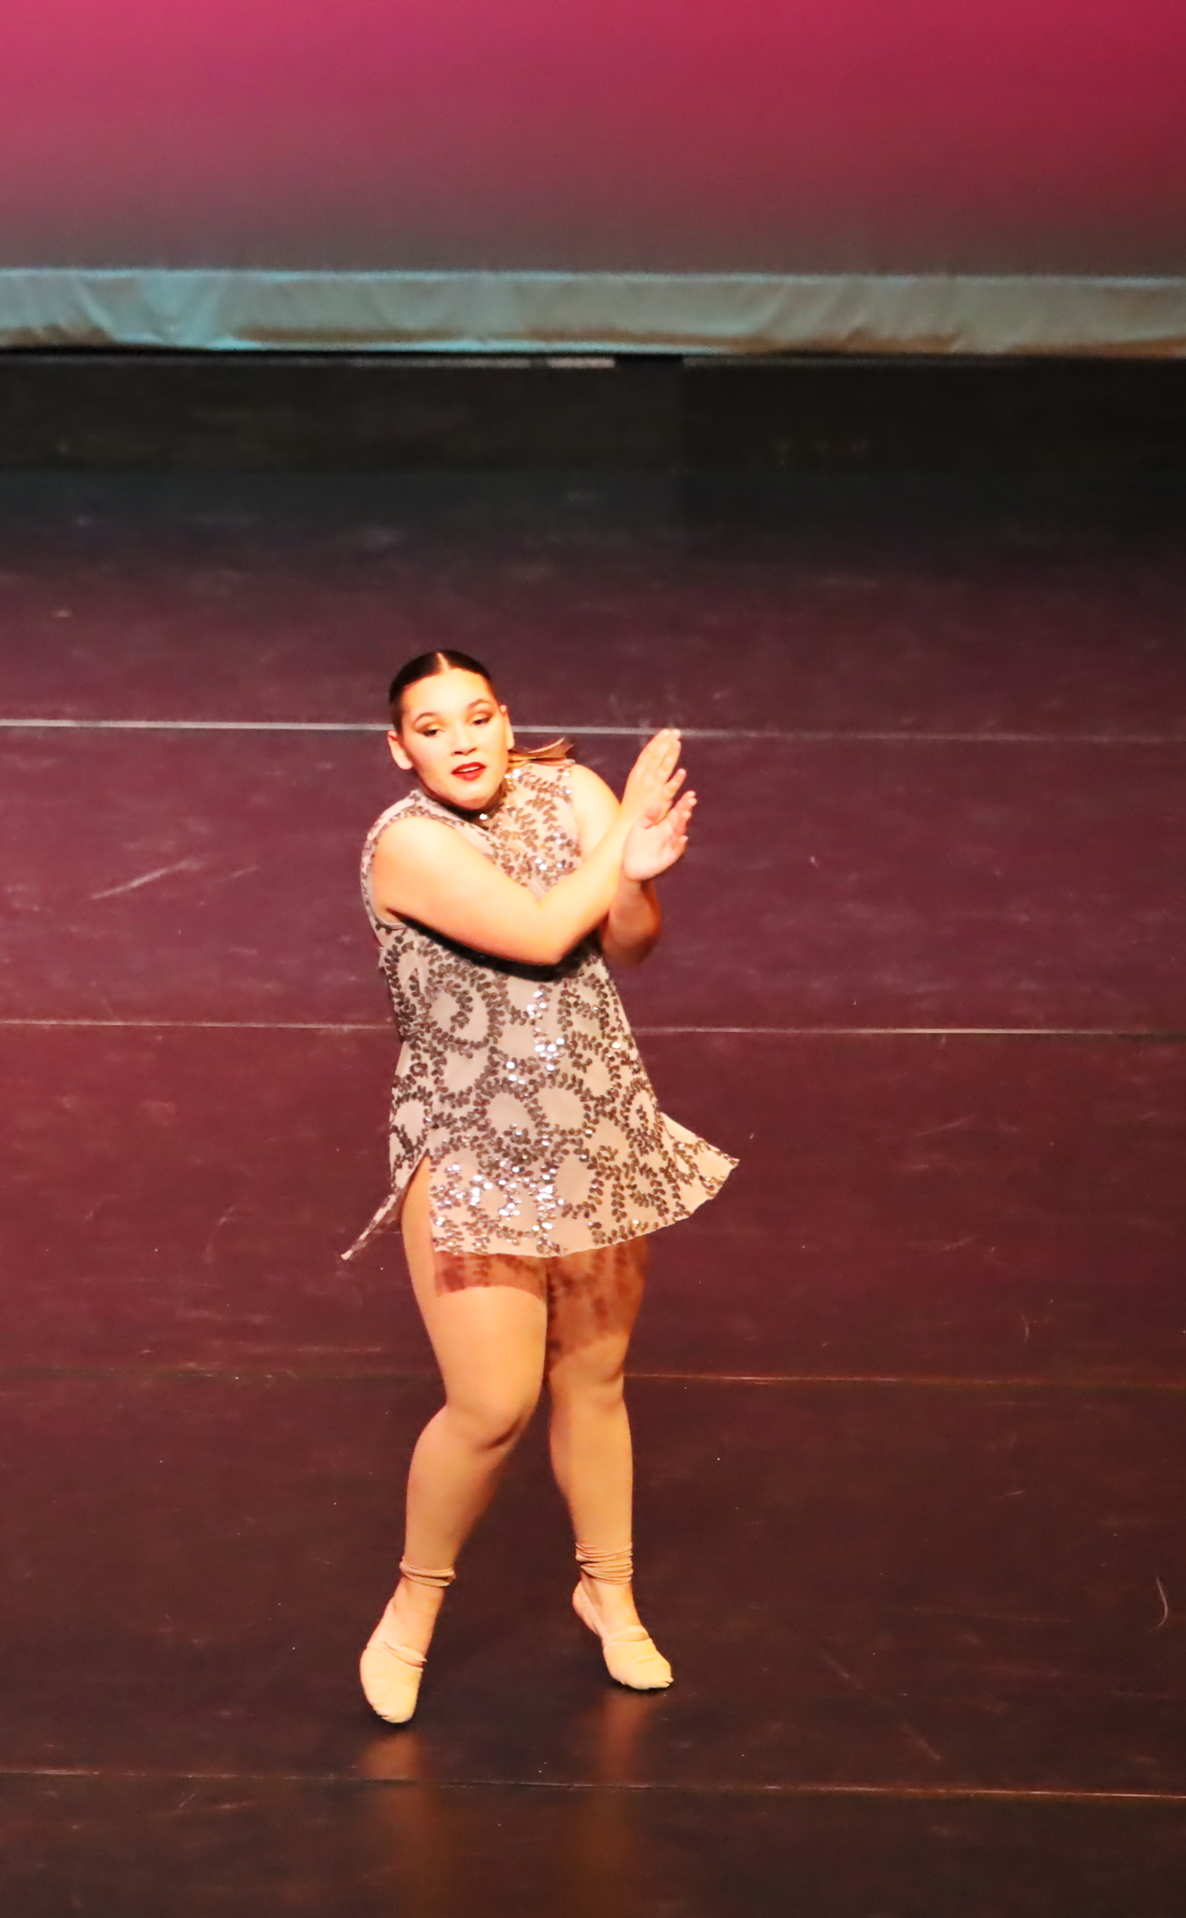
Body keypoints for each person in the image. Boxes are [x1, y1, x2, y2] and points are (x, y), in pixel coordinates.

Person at [351, 649, 733, 1722]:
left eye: (476, 716)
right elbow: (537, 932)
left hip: (592, 1126)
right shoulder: (406, 843)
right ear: (400, 750)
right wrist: (618, 842)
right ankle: (411, 1607)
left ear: (505, 718)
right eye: (433, 728)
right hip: (470, 1145)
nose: (462, 741)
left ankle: (607, 1590)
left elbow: (626, 942)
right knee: (490, 1404)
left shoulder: (566, 792)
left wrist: (637, 877)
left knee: (594, 1381)